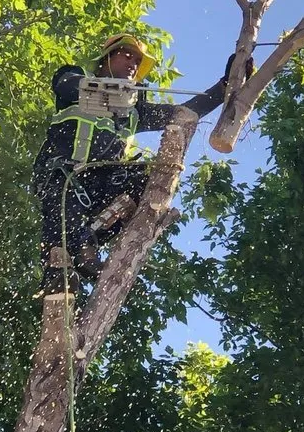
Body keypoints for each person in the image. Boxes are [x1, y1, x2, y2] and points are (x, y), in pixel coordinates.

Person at [33, 32, 249, 295]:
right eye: (126, 55)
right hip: (64, 175)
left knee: (146, 177)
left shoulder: (134, 113)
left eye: (137, 60)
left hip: (101, 185)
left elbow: (186, 112)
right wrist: (113, 93)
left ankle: (88, 240)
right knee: (63, 213)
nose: (133, 63)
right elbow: (65, 84)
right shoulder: (74, 82)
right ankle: (58, 272)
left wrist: (224, 85)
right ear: (105, 59)